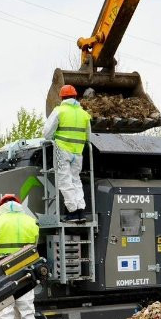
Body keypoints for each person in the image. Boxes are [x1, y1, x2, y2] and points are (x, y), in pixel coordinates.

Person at [43, 84, 92, 223]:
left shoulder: (59, 111)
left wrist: (54, 137)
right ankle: (81, 211)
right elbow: (89, 137)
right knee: (76, 180)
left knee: (64, 181)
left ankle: (72, 212)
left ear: (62, 97)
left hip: (62, 150)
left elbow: (47, 133)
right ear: (75, 96)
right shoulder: (84, 114)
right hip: (78, 152)